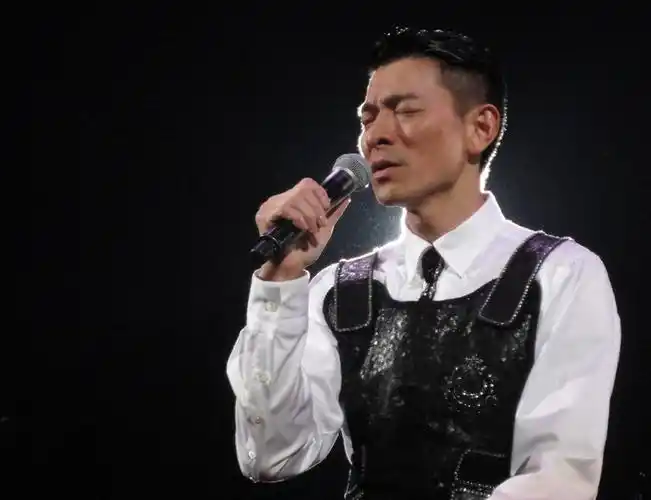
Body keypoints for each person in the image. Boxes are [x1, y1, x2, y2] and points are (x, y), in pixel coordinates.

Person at [226, 26, 621, 500]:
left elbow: (558, 479)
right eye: (368, 118)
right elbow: (270, 457)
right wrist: (280, 280)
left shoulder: (560, 275)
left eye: (406, 111)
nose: (376, 136)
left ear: (481, 128)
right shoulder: (339, 291)